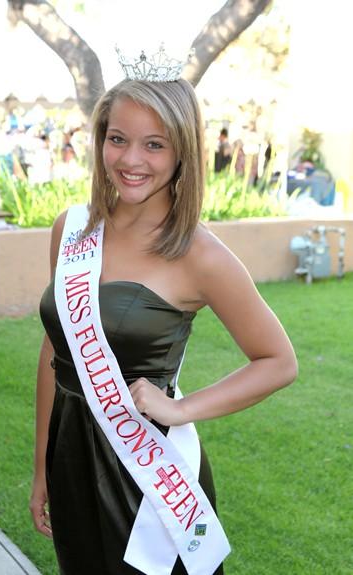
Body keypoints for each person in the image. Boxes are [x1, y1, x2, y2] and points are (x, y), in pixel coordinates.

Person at [30, 61, 298, 575]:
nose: (131, 159)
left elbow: (278, 362)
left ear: (182, 152)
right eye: (117, 139)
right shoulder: (72, 228)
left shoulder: (201, 254)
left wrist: (182, 409)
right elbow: (55, 349)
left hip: (148, 475)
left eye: (154, 144)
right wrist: (42, 462)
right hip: (71, 459)